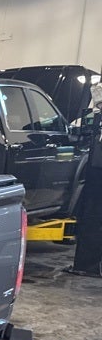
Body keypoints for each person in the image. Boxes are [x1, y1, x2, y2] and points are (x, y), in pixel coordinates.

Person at [69, 80, 102, 277]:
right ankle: (86, 264)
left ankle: (88, 265)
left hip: (98, 173)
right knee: (92, 216)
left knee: (94, 216)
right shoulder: (96, 119)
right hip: (96, 171)